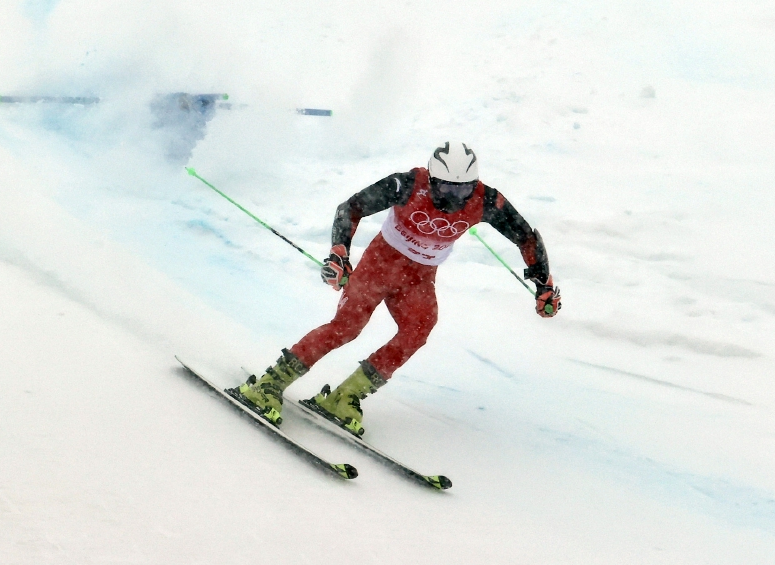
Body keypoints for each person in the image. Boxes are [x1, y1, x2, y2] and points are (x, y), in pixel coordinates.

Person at [227, 141, 560, 436]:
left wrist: (544, 283)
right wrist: (340, 252)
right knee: (347, 327)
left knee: (419, 328)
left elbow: (526, 237)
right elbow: (351, 208)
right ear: (432, 179)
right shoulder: (408, 184)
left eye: (463, 191)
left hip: (418, 278)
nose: (454, 199)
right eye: (447, 189)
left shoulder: (486, 200)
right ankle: (270, 383)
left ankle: (346, 396)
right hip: (379, 267)